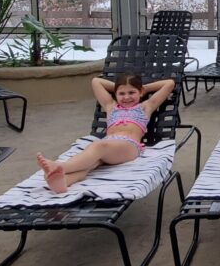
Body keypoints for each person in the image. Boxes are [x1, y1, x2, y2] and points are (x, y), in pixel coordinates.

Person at [37, 74, 176, 193]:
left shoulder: (145, 107)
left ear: (140, 92)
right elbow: (96, 81)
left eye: (132, 92)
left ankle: (61, 166)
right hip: (109, 147)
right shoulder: (111, 106)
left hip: (130, 146)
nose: (127, 97)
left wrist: (144, 88)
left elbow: (169, 83)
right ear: (115, 94)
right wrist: (119, 87)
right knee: (91, 163)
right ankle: (63, 182)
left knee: (98, 147)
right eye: (121, 93)